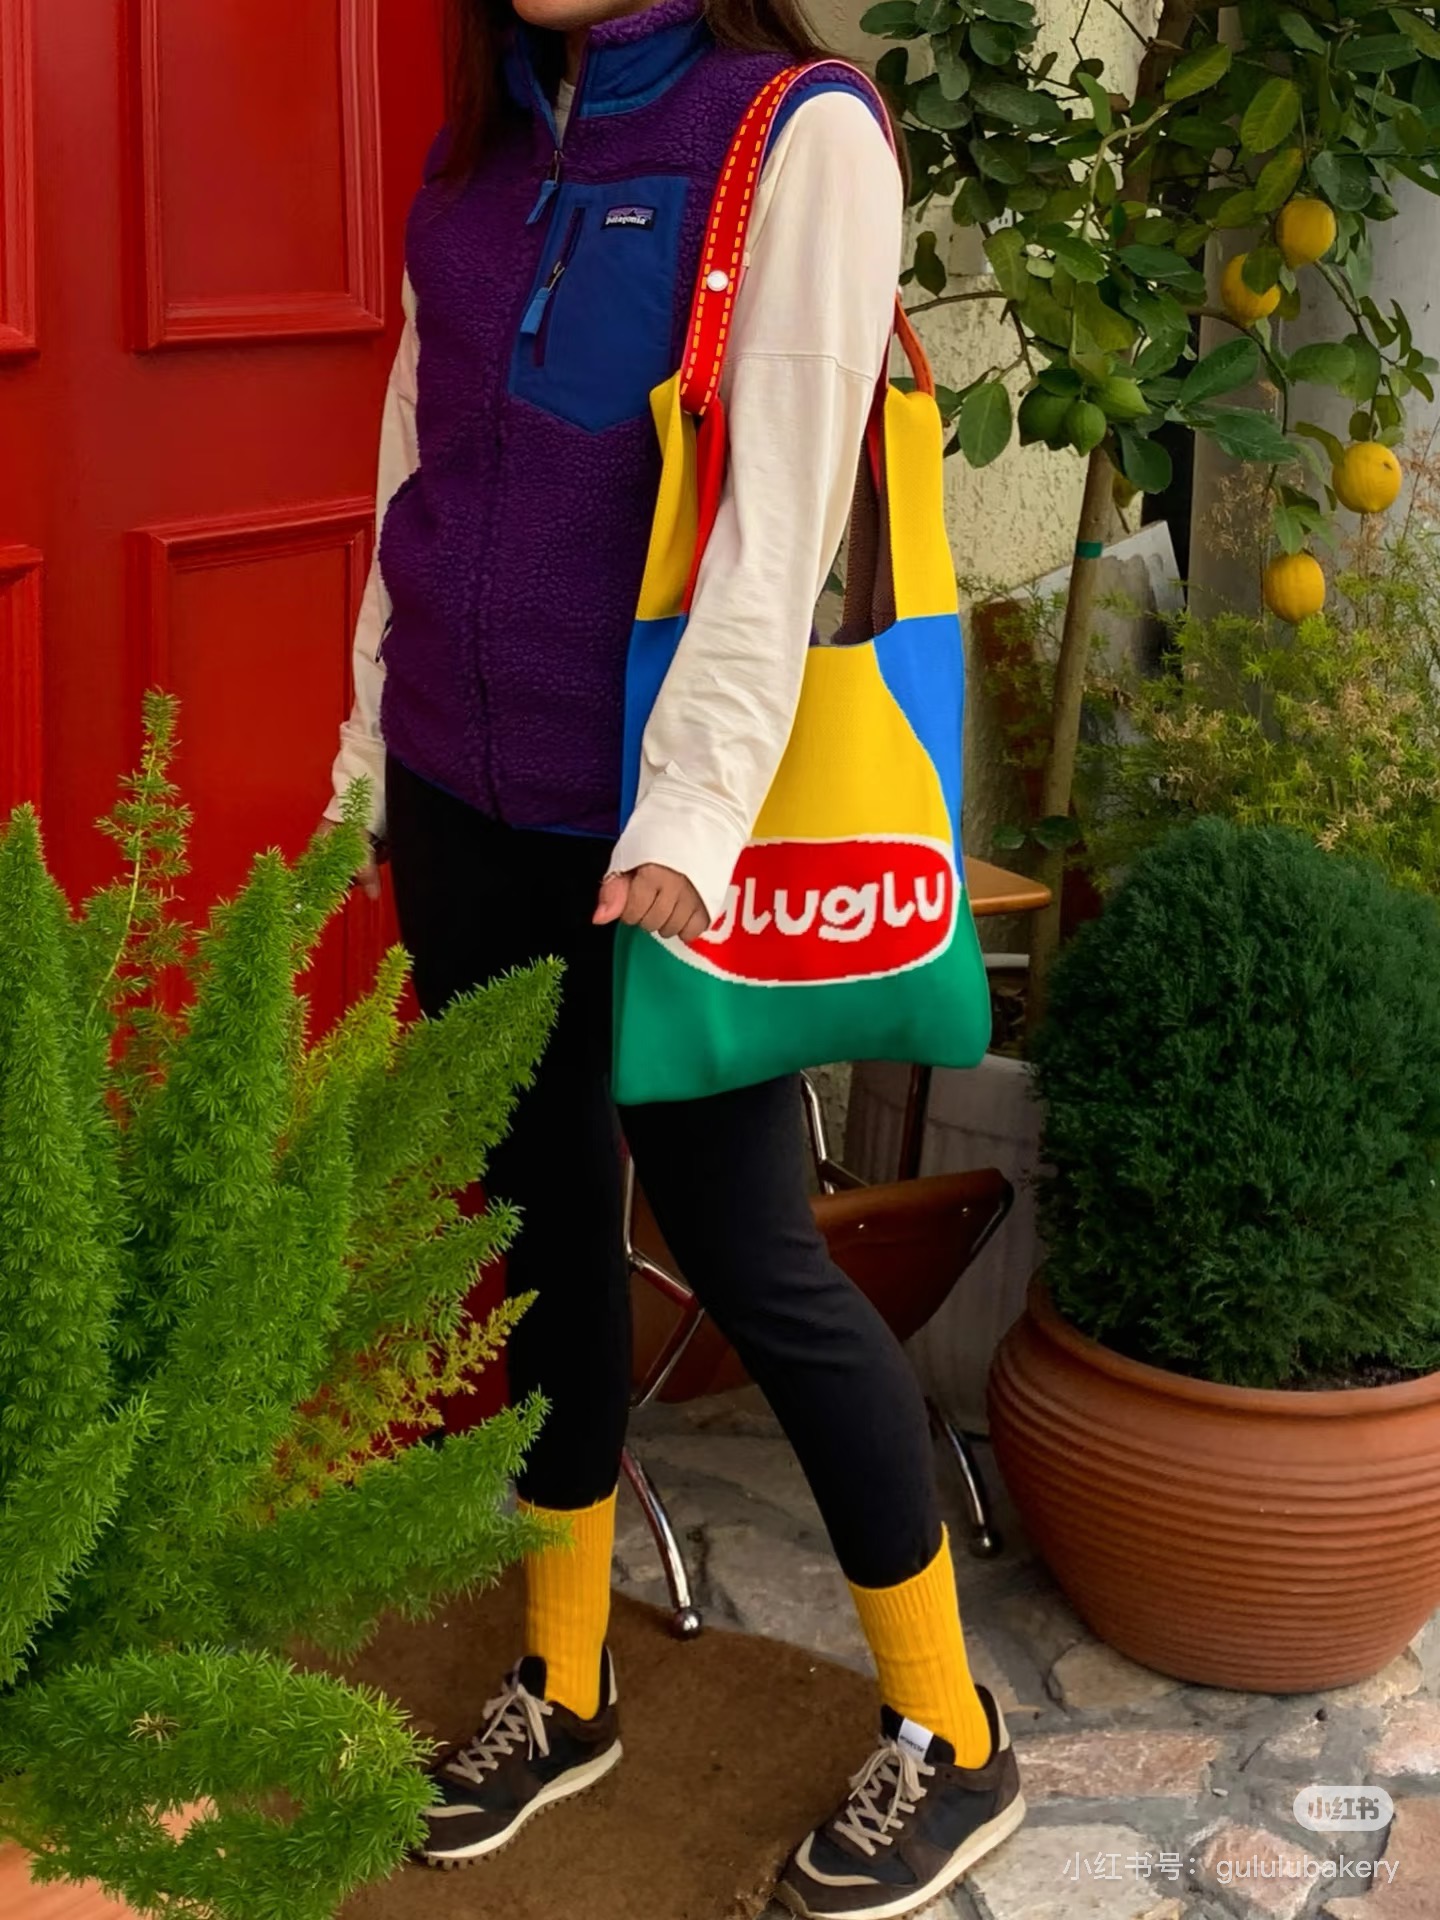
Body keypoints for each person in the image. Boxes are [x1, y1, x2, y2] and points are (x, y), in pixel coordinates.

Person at [325, 0, 1026, 1910]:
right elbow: (411, 464)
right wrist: (370, 754)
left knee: (750, 1258)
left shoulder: (794, 133)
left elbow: (779, 523)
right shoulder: (482, 146)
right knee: (547, 1241)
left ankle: (953, 1730)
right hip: (464, 799)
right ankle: (565, 1685)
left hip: (661, 843)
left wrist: (690, 824)